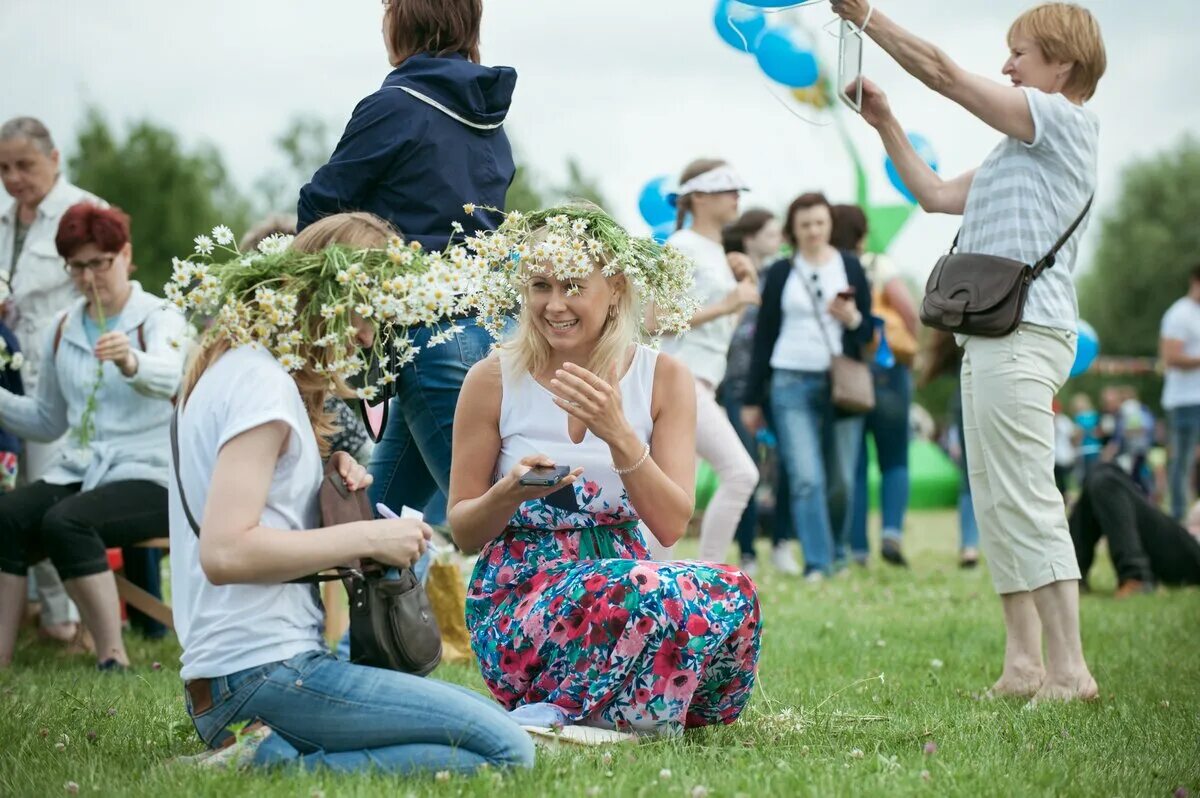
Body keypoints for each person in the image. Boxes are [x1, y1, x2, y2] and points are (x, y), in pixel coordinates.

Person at [168, 212, 534, 772]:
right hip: (260, 674)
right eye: (369, 312)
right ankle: (266, 762)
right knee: (509, 751)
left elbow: (245, 503)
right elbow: (225, 553)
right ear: (330, 296)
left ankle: (271, 752)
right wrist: (368, 536)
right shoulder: (262, 386)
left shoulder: (241, 368)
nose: (370, 336)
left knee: (502, 730)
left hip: (241, 675)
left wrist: (321, 477)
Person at [833, 0, 1106, 700]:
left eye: (1021, 54)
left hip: (1025, 333)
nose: (1006, 66)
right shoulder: (1018, 146)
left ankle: (1070, 670)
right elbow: (928, 194)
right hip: (991, 337)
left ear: (1063, 64)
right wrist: (887, 124)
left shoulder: (1063, 122)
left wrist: (867, 18)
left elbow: (947, 75)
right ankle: (1023, 665)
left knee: (1028, 496)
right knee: (994, 499)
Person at [450, 206, 761, 738]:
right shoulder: (492, 377)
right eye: (540, 285)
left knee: (731, 587)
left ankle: (614, 711)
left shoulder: (662, 376)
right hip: (522, 591)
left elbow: (668, 525)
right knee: (638, 586)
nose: (555, 304)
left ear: (614, 288)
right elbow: (462, 530)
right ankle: (599, 707)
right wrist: (509, 493)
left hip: (629, 578)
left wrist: (619, 433)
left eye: (574, 285)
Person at [297, 0, 518, 536]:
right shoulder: (487, 121)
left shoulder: (395, 106)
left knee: (498, 532)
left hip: (428, 338)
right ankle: (365, 627)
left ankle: (578, 617)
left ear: (400, 25)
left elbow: (320, 213)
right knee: (382, 517)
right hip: (491, 332)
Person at [0, 202, 187, 669]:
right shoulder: (62, 327)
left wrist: (130, 361)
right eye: (76, 266)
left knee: (67, 521)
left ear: (125, 256)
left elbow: (171, 376)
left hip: (155, 474)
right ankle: (1, 653)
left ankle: (111, 656)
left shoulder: (158, 315)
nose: (88, 277)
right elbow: (48, 421)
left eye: (98, 263)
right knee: (6, 516)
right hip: (85, 469)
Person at [0, 116, 107, 645]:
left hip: (61, 381)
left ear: (55, 158)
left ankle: (62, 617)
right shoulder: (2, 220)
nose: (14, 177)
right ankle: (45, 611)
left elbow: (101, 292)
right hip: (8, 376)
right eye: (3, 167)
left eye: (25, 164)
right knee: (13, 489)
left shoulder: (83, 211)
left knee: (48, 492)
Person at [743, 192, 873, 581]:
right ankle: (817, 562)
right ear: (793, 231)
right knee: (805, 476)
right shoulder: (782, 272)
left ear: (830, 224)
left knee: (842, 480)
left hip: (841, 382)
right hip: (789, 381)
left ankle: (838, 554)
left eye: (819, 222)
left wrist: (852, 318)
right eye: (805, 225)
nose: (813, 230)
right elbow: (763, 337)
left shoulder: (850, 266)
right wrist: (752, 398)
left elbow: (869, 330)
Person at [655, 160, 760, 563]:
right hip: (680, 378)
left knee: (676, 495)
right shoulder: (682, 245)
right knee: (741, 474)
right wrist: (727, 303)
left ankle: (649, 583)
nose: (737, 196)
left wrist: (745, 284)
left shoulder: (719, 252)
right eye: (727, 187)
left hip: (703, 381)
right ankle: (711, 575)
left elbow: (721, 336)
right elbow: (655, 319)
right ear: (698, 196)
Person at [831, 204, 918, 568]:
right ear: (863, 233)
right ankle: (892, 532)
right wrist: (910, 350)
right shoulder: (879, 265)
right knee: (895, 457)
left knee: (854, 463)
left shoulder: (829, 268)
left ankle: (858, 549)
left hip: (846, 373)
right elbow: (909, 310)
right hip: (888, 371)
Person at [719, 209, 790, 575]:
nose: (778, 238)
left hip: (776, 379)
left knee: (784, 466)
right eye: (770, 232)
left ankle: (781, 543)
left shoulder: (785, 275)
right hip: (735, 380)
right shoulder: (726, 273)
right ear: (750, 237)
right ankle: (747, 550)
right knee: (744, 465)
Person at [1071, 464, 1200, 596]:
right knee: (1102, 471)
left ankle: (1135, 576)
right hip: (1187, 538)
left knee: (1105, 482)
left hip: (1193, 554)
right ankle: (1071, 576)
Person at [920, 330, 980, 567]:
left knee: (971, 478)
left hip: (965, 401)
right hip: (986, 397)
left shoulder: (958, 323)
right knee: (981, 477)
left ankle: (969, 546)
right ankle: (974, 546)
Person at [1158, 264, 1200, 520]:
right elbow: (1170, 357)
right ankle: (1178, 518)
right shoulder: (1179, 314)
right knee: (1182, 463)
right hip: (1184, 401)